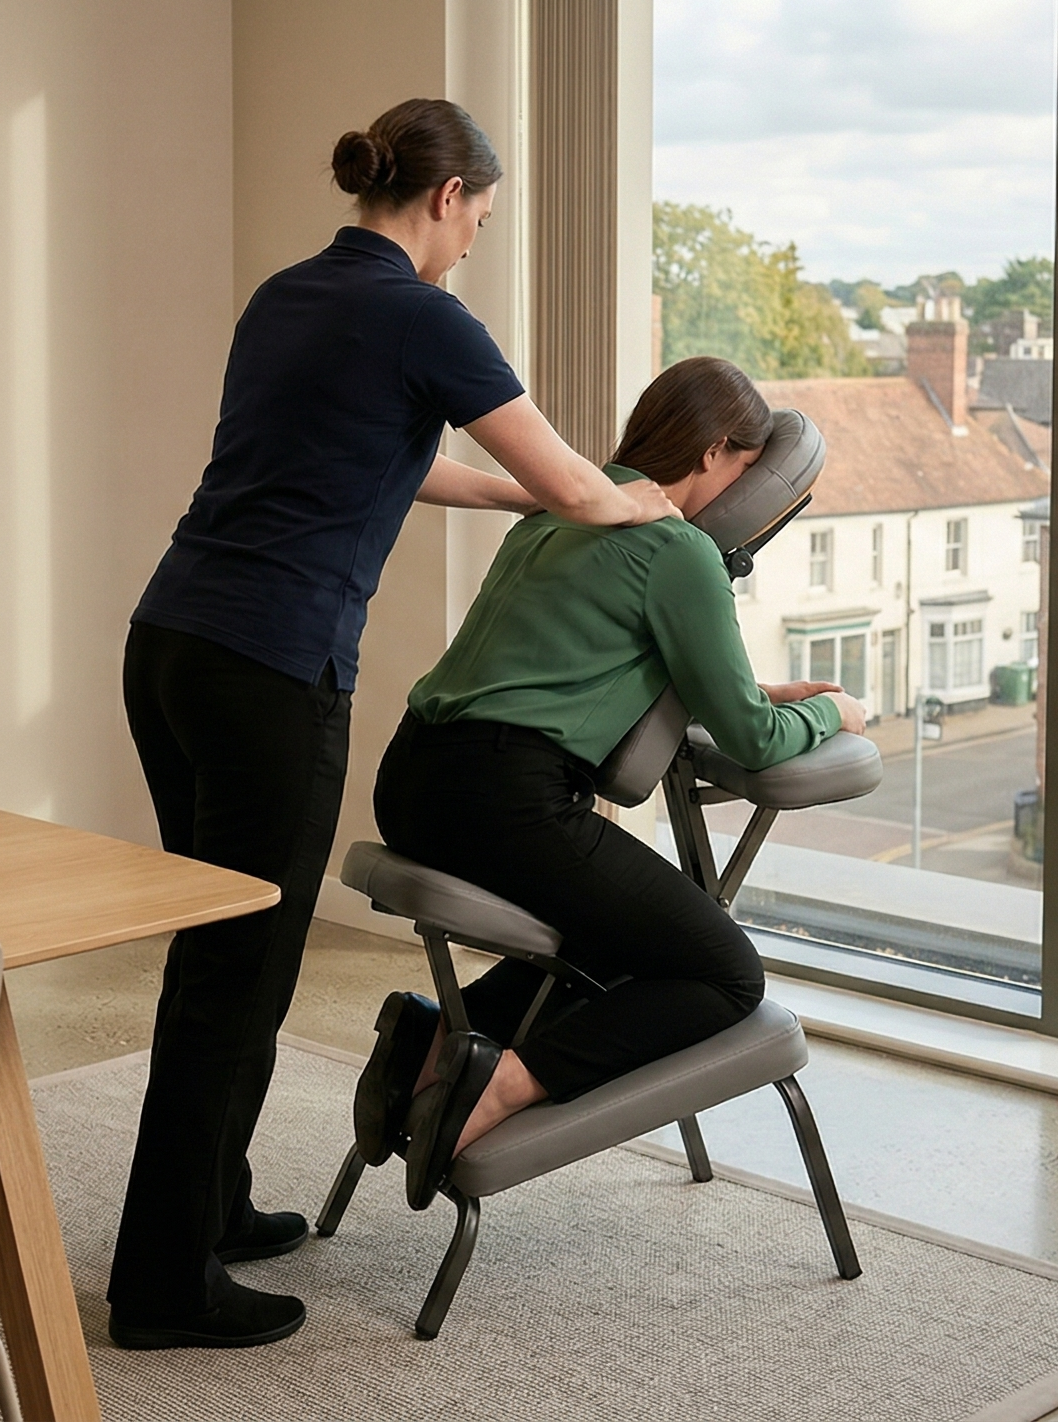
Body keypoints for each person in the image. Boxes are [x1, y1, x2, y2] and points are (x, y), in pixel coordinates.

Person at [110, 98, 677, 1350]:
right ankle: (161, 1282)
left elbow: (393, 461)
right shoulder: (425, 315)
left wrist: (520, 502)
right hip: (269, 669)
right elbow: (577, 481)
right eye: (481, 211)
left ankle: (212, 1209)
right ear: (446, 195)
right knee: (238, 970)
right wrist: (651, 513)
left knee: (214, 954)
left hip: (171, 647)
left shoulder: (289, 296)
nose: (477, 236)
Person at [358, 355, 871, 1208]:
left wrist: (749, 685)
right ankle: (501, 1081)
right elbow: (751, 737)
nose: (743, 492)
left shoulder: (558, 515)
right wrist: (832, 714)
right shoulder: (676, 547)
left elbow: (593, 660)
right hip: (503, 800)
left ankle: (429, 1043)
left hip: (414, 776)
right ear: (713, 453)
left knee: (614, 939)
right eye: (744, 469)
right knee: (724, 975)